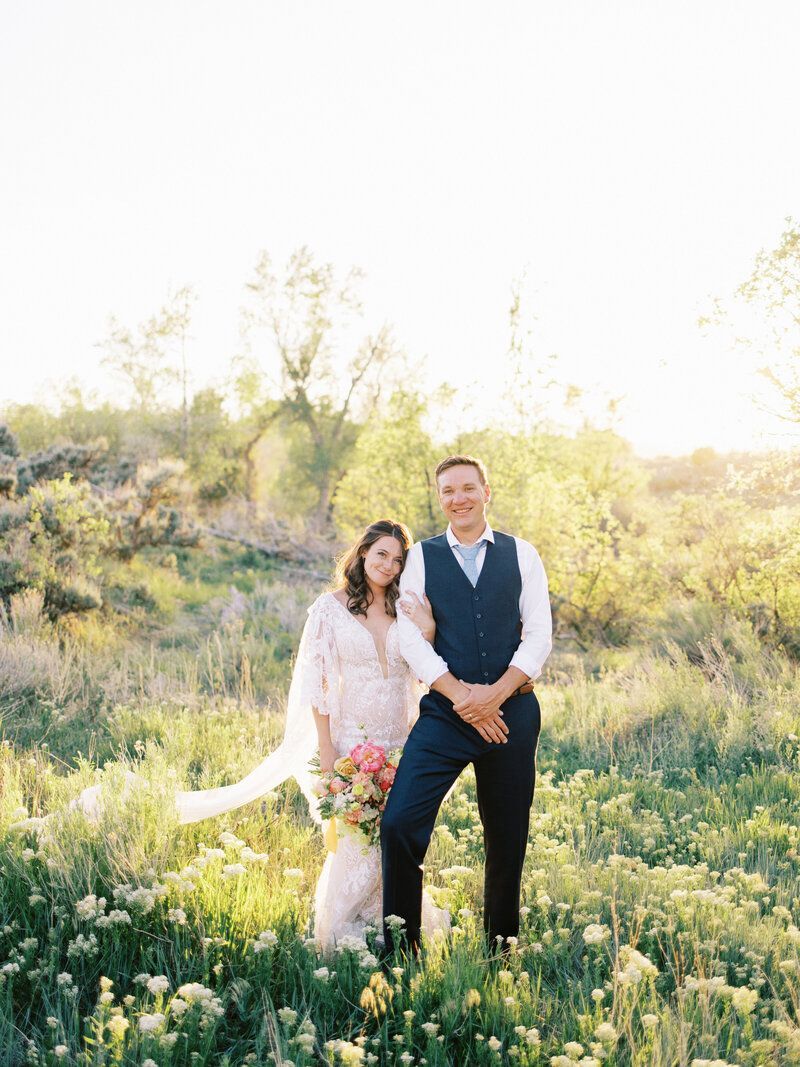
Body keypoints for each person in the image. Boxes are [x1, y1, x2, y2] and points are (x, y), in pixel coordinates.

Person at [68, 518, 447, 952]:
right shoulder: (330, 608)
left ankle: (397, 926)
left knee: (397, 839)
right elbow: (318, 683)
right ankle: (343, 930)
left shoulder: (407, 608)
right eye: (382, 554)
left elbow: (425, 668)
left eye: (398, 560)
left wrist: (429, 627)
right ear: (363, 553)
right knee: (355, 844)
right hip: (352, 744)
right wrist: (328, 752)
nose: (389, 565)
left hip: (402, 743)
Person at [382, 455, 552, 955]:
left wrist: (494, 696)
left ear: (486, 492)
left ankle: (501, 949)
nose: (457, 498)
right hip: (444, 714)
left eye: (467, 488)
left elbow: (539, 634)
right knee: (399, 823)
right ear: (440, 499)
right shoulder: (422, 558)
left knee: (506, 836)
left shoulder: (523, 555)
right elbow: (408, 637)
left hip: (512, 713)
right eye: (447, 491)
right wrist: (461, 696)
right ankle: (401, 950)